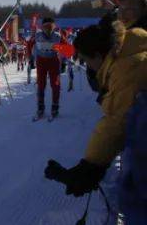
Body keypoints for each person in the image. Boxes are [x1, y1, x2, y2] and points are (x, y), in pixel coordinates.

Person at [45, 19, 147, 195]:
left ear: (98, 55)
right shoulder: (132, 45)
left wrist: (90, 167)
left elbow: (117, 121)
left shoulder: (126, 69)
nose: (87, 66)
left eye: (86, 60)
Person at [29, 17, 62, 120]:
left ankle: (55, 107)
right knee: (41, 84)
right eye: (46, 27)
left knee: (55, 84)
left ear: (54, 27)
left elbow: (67, 48)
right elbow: (29, 45)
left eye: (50, 27)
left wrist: (65, 61)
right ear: (42, 27)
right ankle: (40, 107)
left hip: (53, 61)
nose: (48, 29)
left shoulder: (57, 36)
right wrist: (30, 58)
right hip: (41, 61)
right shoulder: (37, 35)